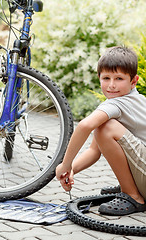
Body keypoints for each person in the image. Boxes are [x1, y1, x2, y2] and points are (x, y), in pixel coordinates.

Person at [56, 46, 146, 216]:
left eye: (119, 78)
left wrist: (65, 163)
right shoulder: (134, 99)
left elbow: (84, 126)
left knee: (105, 128)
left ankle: (132, 195)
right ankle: (131, 186)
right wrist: (72, 170)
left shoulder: (117, 104)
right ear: (99, 78)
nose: (111, 85)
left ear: (133, 81)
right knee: (104, 127)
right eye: (106, 78)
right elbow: (94, 151)